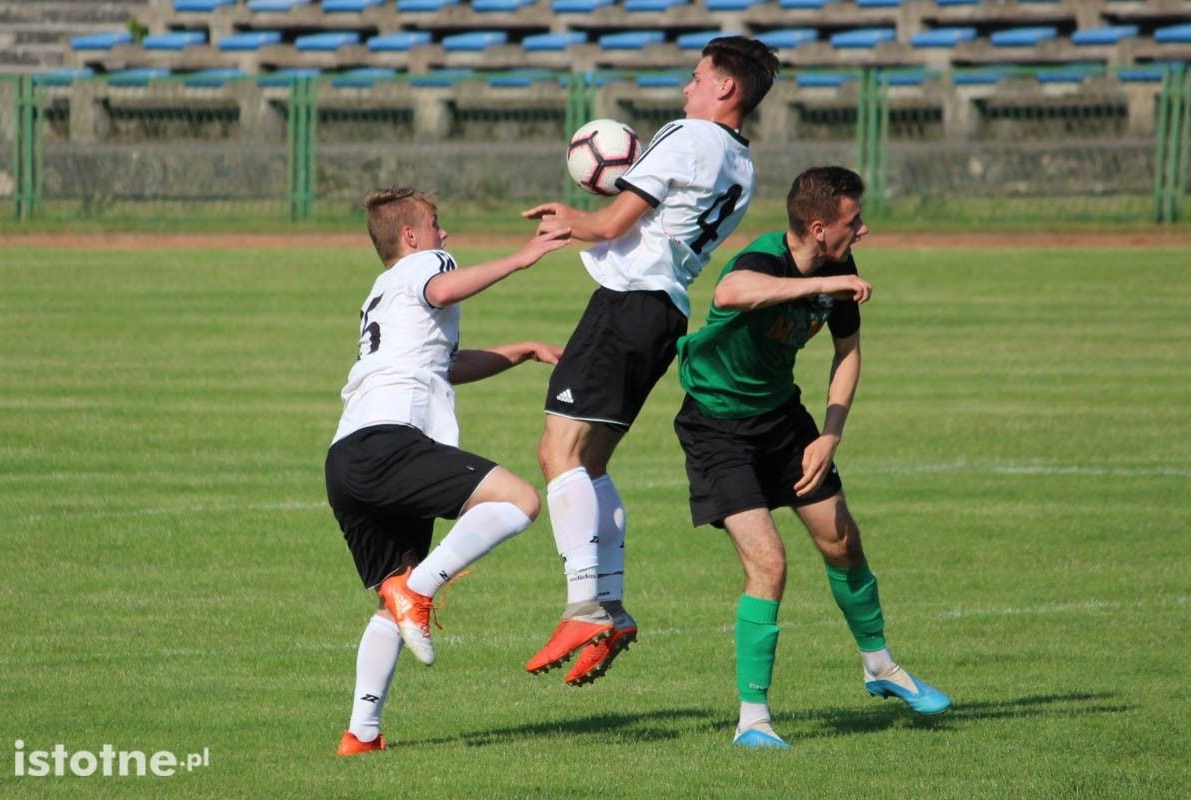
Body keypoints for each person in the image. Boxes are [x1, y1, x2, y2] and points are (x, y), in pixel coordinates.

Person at [520, 36, 781, 689]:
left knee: (558, 454)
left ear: (725, 88)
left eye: (696, 78)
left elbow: (612, 225)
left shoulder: (687, 136)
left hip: (628, 305)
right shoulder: (743, 165)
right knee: (589, 462)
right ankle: (609, 607)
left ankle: (586, 606)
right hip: (665, 311)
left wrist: (566, 220)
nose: (686, 89)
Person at [672, 166, 951, 749]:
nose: (864, 229)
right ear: (819, 228)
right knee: (769, 566)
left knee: (842, 541)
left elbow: (847, 353)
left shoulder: (839, 266)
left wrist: (830, 434)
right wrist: (819, 288)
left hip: (783, 421)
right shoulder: (762, 262)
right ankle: (753, 721)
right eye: (853, 222)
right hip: (717, 428)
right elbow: (729, 293)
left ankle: (879, 666)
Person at [326, 187, 570, 756]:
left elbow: (445, 364)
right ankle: (421, 589)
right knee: (519, 501)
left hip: (346, 459)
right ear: (411, 237)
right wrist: (521, 256)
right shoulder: (427, 265)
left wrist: (524, 350)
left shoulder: (381, 294)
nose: (445, 236)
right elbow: (444, 285)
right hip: (393, 442)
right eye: (437, 224)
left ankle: (361, 733)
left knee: (392, 602)